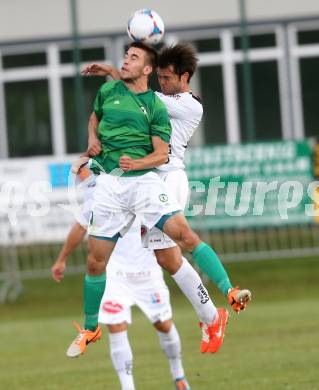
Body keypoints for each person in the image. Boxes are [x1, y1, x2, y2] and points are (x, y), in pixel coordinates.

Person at [66, 42, 250, 360]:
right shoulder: (157, 98)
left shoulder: (189, 105)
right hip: (143, 180)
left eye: (166, 77)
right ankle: (212, 317)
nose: (161, 83)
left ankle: (226, 294)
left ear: (184, 76)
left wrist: (118, 73)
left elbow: (141, 96)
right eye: (159, 77)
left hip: (167, 177)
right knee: (167, 259)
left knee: (181, 241)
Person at [51, 170, 191, 390]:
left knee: (164, 324)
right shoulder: (100, 193)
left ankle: (179, 375)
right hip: (116, 274)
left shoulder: (148, 184)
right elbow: (80, 227)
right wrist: (61, 259)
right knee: (115, 326)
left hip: (148, 272)